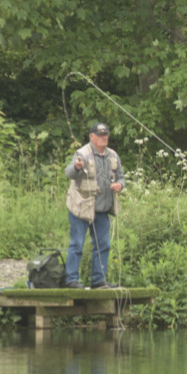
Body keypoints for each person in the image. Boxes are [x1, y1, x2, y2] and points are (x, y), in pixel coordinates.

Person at [65, 121, 125, 288]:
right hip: (81, 207)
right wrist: (77, 167)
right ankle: (71, 280)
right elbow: (68, 173)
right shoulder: (82, 153)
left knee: (103, 244)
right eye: (100, 135)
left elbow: (121, 177)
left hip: (102, 209)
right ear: (92, 137)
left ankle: (98, 281)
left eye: (106, 135)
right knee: (77, 243)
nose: (104, 138)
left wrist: (120, 185)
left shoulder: (113, 155)